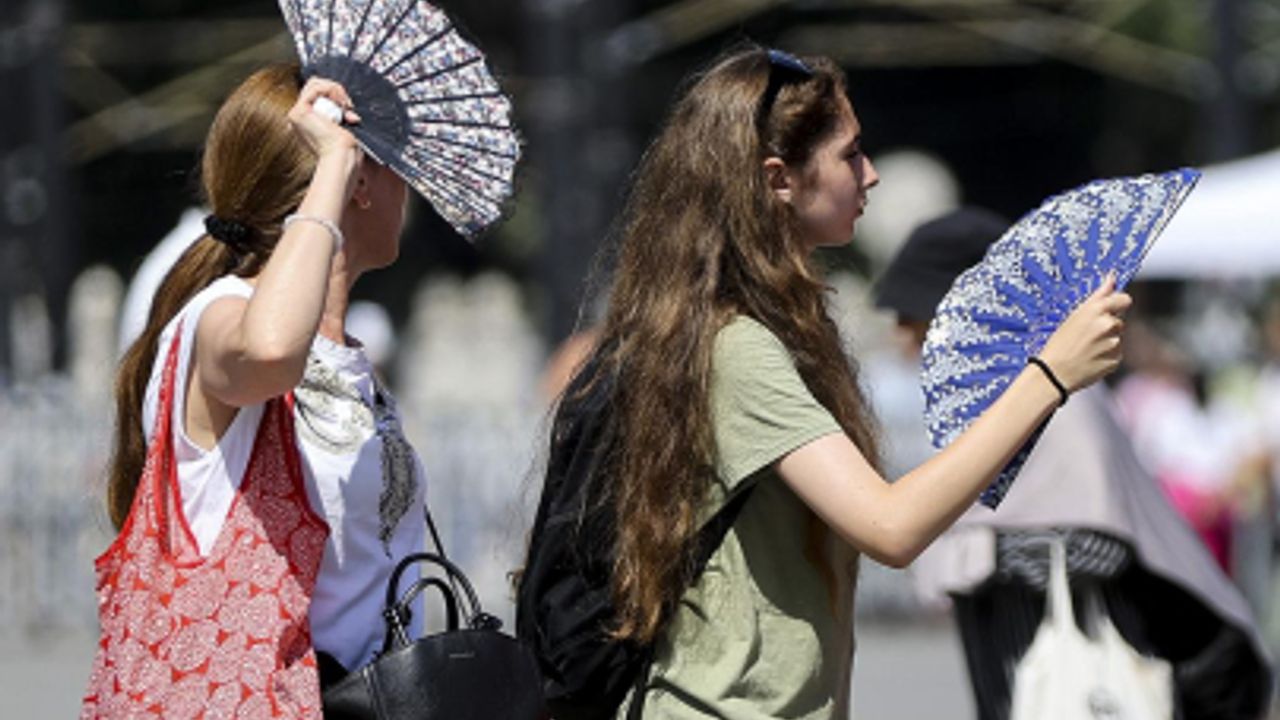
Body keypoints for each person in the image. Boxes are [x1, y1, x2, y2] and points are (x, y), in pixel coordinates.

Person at [555, 46, 1132, 719]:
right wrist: (1049, 376)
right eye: (850, 155)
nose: (872, 174)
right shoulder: (737, 348)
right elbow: (890, 526)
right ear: (779, 179)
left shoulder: (748, 330)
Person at [83, 65, 426, 715]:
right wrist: (334, 165)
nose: (408, 187)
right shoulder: (219, 316)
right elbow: (271, 351)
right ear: (357, 182)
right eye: (396, 164)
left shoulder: (352, 362)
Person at [875, 208, 1272, 720]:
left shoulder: (1057, 393)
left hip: (1091, 680)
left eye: (913, 317)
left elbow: (1100, 548)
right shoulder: (993, 400)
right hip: (1020, 682)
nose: (902, 337)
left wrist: (968, 546)